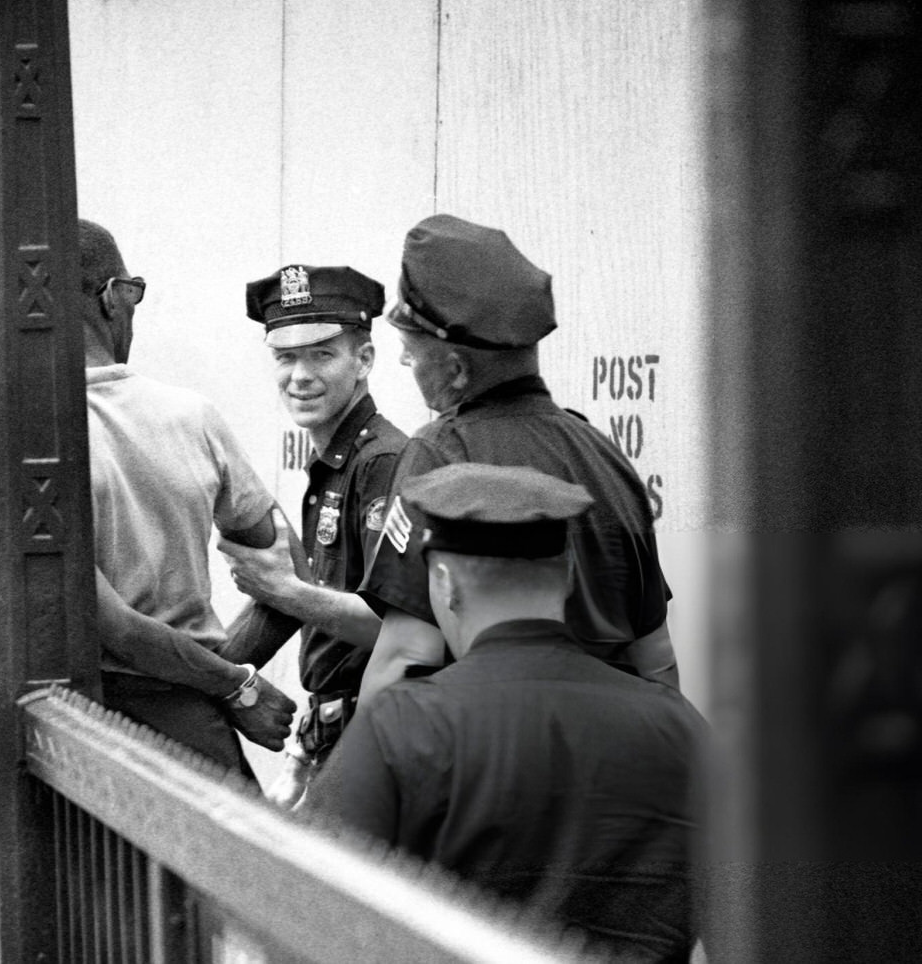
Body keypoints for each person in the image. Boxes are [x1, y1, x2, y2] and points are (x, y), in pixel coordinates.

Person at [0, 221, 296, 963]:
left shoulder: (4, 445)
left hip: (65, 738)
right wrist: (229, 679)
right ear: (114, 297)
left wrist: (225, 682)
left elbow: (103, 622)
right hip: (189, 736)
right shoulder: (193, 419)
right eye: (134, 294)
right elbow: (284, 567)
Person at [307, 462, 708, 961]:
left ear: (446, 584)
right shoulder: (680, 727)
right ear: (567, 578)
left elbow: (309, 911)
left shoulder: (400, 727)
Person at [358, 214, 678, 701]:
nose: (405, 362)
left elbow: (405, 657)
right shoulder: (609, 461)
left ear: (457, 369)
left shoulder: (438, 457)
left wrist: (357, 773)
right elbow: (658, 662)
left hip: (487, 757)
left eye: (410, 349)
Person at [216, 264, 406, 804]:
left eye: (322, 354)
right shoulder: (336, 463)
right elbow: (297, 605)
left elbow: (395, 625)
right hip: (333, 735)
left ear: (363, 360)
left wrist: (282, 590)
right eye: (285, 356)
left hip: (376, 742)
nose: (300, 375)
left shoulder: (382, 462)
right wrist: (208, 676)